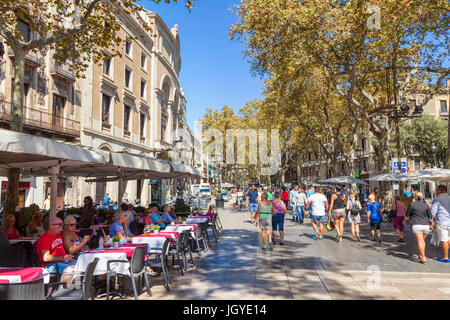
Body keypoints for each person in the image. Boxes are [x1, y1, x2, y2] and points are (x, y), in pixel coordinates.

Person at [36, 217, 76, 284]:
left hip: (61, 262)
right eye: (59, 225)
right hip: (50, 265)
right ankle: (62, 291)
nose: (62, 227)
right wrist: (63, 258)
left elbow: (60, 251)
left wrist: (67, 256)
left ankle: (75, 288)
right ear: (51, 226)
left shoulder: (58, 236)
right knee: (72, 269)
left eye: (62, 224)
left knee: (82, 266)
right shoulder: (44, 238)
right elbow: (46, 258)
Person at [405, 192, 433, 264]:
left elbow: (407, 215)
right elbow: (430, 217)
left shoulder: (412, 204)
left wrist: (406, 220)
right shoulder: (426, 205)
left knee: (420, 241)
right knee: (422, 241)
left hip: (416, 224)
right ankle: (421, 255)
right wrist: (431, 224)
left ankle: (423, 257)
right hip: (426, 225)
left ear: (415, 197)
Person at [431, 185, 450, 263]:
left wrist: (431, 221)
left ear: (440, 190)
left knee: (444, 240)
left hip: (442, 222)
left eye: (437, 190)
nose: (436, 192)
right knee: (448, 239)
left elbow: (433, 213)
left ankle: (445, 257)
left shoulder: (437, 199)